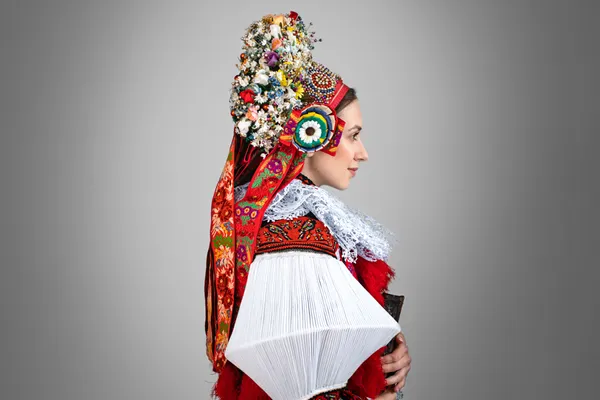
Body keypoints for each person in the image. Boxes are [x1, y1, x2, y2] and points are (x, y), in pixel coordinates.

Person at [205, 11, 411, 399]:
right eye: (353, 136)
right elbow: (303, 387)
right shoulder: (294, 237)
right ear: (311, 135)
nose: (363, 153)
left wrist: (382, 354)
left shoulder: (303, 223)